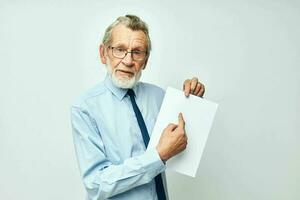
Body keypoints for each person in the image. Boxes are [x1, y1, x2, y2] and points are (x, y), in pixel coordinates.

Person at [70, 14, 205, 200]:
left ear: (146, 60)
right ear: (104, 54)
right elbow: (97, 183)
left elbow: (183, 143)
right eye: (119, 49)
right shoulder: (85, 108)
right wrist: (157, 156)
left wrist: (193, 101)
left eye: (137, 52)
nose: (128, 60)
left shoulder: (159, 97)